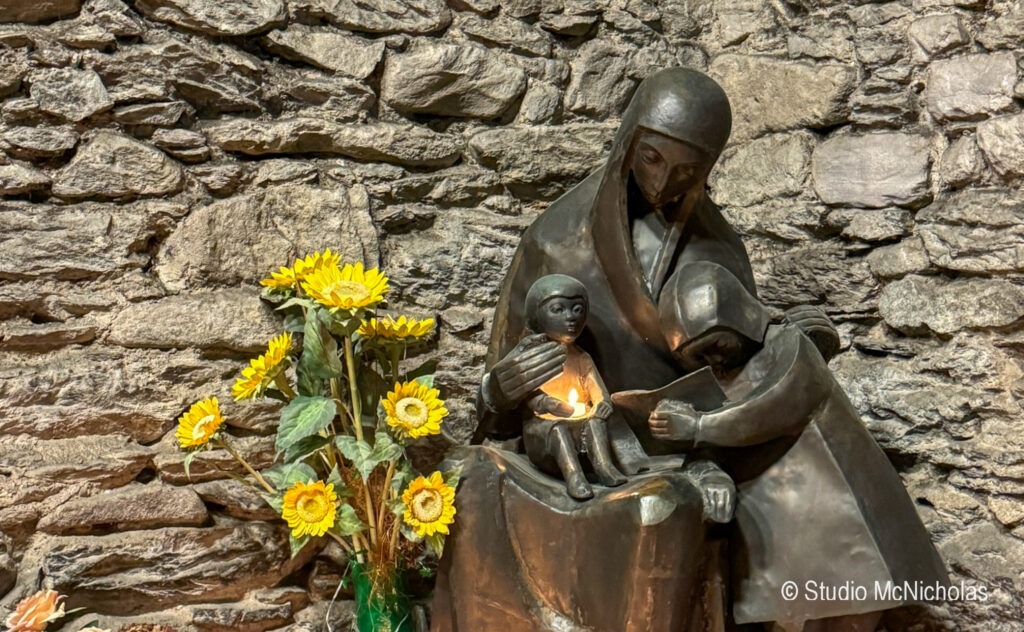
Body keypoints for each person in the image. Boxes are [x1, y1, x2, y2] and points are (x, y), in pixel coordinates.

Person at [651, 262, 949, 632]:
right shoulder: (720, 380)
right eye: (699, 355)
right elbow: (714, 448)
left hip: (840, 503)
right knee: (817, 609)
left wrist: (698, 425)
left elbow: (775, 406)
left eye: (718, 344)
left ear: (740, 320)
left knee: (856, 603)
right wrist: (705, 467)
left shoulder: (789, 346)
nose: (714, 359)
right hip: (792, 517)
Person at [476, 67, 759, 449]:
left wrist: (785, 343)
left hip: (685, 445)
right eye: (651, 158)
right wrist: (499, 390)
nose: (661, 183)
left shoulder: (722, 250)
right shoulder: (554, 239)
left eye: (686, 170)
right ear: (628, 142)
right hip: (575, 444)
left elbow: (746, 382)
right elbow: (497, 410)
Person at [519, 274, 628, 500]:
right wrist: (544, 402)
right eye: (558, 309)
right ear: (537, 315)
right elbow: (526, 394)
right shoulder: (533, 358)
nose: (570, 318)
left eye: (577, 310)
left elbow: (598, 392)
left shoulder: (581, 359)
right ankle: (574, 475)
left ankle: (604, 467)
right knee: (557, 428)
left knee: (595, 422)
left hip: (579, 427)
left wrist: (603, 405)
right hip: (543, 430)